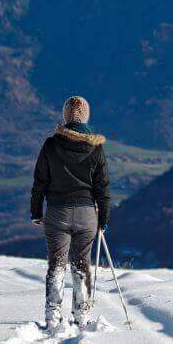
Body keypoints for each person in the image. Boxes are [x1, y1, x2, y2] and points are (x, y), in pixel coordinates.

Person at [30, 95, 110, 330]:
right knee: (81, 263)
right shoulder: (96, 147)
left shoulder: (51, 144)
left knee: (57, 263)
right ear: (86, 117)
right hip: (87, 213)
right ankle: (82, 315)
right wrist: (103, 218)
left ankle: (53, 314)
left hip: (57, 211)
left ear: (65, 117)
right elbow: (102, 187)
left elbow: (39, 182)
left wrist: (36, 211)